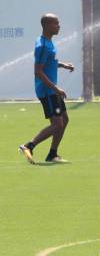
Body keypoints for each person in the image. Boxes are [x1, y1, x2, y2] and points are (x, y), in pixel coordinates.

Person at [19, 13, 74, 164]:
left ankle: (52, 154)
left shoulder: (48, 42)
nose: (59, 26)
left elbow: (48, 62)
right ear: (47, 25)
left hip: (52, 91)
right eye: (56, 23)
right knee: (57, 123)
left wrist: (63, 65)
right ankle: (28, 146)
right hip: (47, 91)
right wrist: (56, 88)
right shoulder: (42, 45)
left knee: (64, 120)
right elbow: (38, 71)